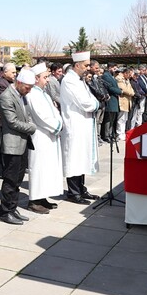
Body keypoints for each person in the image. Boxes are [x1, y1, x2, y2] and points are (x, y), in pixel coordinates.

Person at [0, 68, 37, 225]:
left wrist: (29, 124)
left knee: (18, 180)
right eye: (27, 87)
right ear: (19, 83)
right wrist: (32, 128)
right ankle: (6, 212)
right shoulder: (6, 97)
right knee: (10, 180)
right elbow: (12, 122)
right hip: (11, 145)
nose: (28, 91)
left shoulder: (21, 95)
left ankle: (13, 208)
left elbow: (25, 115)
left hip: (22, 143)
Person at [60, 51, 100, 204]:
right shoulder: (69, 80)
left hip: (83, 124)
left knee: (82, 157)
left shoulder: (80, 80)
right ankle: (73, 192)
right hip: (75, 125)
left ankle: (81, 189)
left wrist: (94, 102)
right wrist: (96, 104)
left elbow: (89, 98)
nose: (88, 68)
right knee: (74, 158)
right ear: (77, 65)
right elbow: (86, 102)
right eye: (86, 65)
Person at [25, 63, 63, 214]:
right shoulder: (32, 94)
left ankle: (43, 197)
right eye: (45, 77)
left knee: (48, 167)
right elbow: (42, 117)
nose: (47, 80)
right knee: (39, 167)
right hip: (40, 136)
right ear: (36, 78)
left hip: (50, 136)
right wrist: (57, 126)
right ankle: (34, 200)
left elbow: (55, 112)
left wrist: (59, 123)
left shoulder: (44, 94)